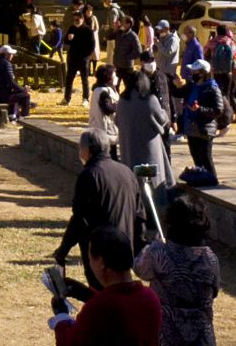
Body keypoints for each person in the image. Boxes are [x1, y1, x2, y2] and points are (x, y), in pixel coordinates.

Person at [53, 130, 143, 289]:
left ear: (87, 150)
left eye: (80, 149)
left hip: (100, 252)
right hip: (124, 247)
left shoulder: (89, 175)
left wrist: (63, 250)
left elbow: (80, 218)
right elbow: (140, 214)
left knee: (103, 299)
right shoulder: (126, 172)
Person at [47, 225, 160, 346]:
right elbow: (121, 308)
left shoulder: (99, 308)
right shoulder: (150, 298)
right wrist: (88, 294)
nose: (89, 263)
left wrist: (61, 317)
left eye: (90, 258)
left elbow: (70, 342)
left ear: (101, 263)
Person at [133, 192, 219, 346]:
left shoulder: (158, 253)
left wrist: (153, 245)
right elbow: (214, 291)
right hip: (202, 338)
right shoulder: (210, 258)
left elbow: (139, 268)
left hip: (166, 336)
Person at [115, 67, 176, 191]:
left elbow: (117, 121)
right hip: (148, 152)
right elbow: (163, 119)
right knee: (152, 186)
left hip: (129, 151)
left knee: (135, 186)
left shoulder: (122, 101)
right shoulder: (149, 100)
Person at [178, 61, 223, 187]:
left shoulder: (212, 88)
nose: (192, 74)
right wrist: (176, 84)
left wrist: (200, 109)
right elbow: (178, 93)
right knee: (196, 158)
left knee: (206, 159)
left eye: (195, 72)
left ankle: (213, 184)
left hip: (204, 130)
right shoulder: (192, 86)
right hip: (192, 129)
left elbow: (218, 110)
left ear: (203, 73)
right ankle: (200, 183)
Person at [64, 9, 98, 105]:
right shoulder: (72, 28)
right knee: (69, 79)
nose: (75, 21)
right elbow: (66, 41)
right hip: (72, 57)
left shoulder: (88, 30)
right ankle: (67, 99)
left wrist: (86, 56)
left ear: (82, 19)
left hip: (83, 59)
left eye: (77, 19)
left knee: (84, 80)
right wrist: (68, 38)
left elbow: (92, 46)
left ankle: (85, 99)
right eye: (74, 19)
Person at [0, 44, 33, 119]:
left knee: (16, 93)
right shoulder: (6, 64)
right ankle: (24, 117)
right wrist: (24, 89)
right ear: (7, 54)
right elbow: (11, 82)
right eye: (11, 54)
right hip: (2, 95)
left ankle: (13, 115)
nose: (12, 56)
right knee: (26, 96)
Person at [207, 28, 236, 116]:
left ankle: (220, 113)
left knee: (218, 93)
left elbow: (205, 52)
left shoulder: (213, 42)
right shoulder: (230, 42)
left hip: (216, 72)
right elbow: (234, 54)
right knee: (227, 94)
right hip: (228, 72)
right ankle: (229, 114)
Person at [88, 64, 119, 141]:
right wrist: (120, 105)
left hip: (105, 130)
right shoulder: (103, 92)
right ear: (108, 78)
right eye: (114, 76)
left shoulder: (103, 89)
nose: (116, 78)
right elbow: (108, 109)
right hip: (105, 130)